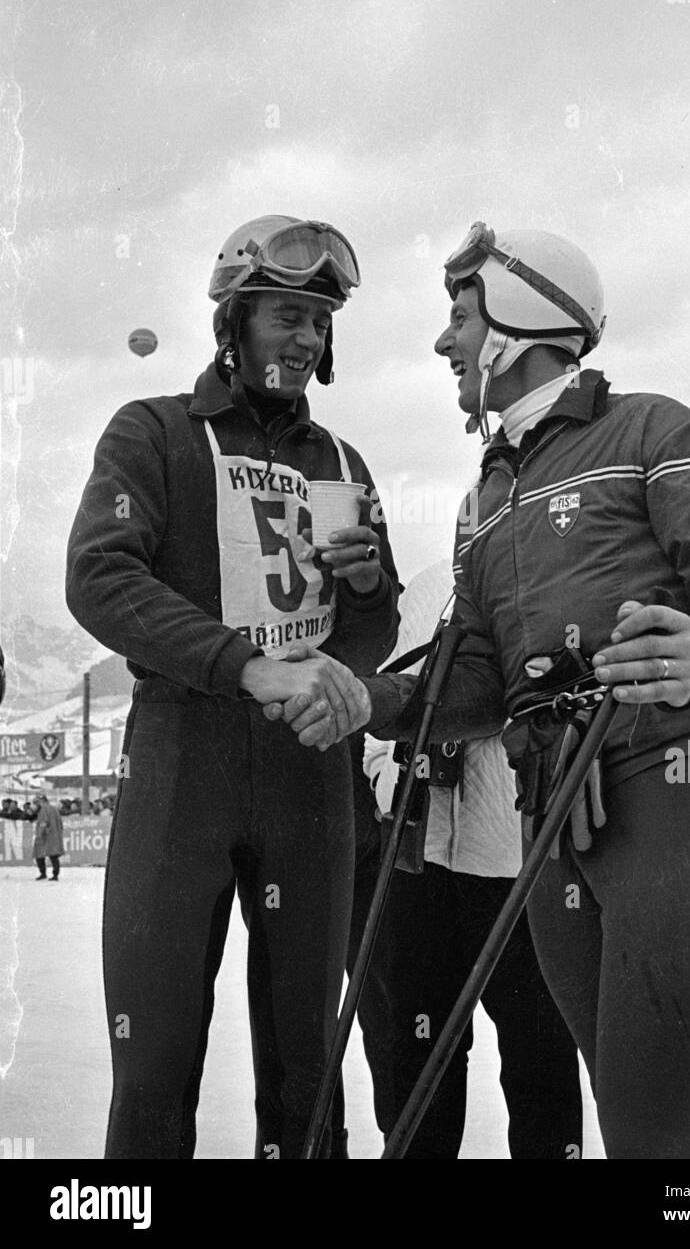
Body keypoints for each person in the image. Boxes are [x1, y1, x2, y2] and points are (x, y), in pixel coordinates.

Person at [284, 222, 690, 1160]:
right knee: (623, 1113)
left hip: (667, 773)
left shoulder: (655, 428)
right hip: (552, 805)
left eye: (460, 317)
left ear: (518, 318)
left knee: (657, 1123)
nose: (444, 343)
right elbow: (469, 683)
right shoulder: (486, 497)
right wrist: (372, 700)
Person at [66, 214, 400, 1159]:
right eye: (286, 314)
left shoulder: (343, 463)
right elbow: (100, 575)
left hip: (309, 774)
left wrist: (371, 587)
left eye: (319, 321)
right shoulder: (153, 430)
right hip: (184, 758)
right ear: (235, 319)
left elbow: (370, 642)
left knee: (305, 1069)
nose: (304, 337)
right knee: (153, 1067)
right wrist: (242, 664)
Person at [360, 559, 582, 1159]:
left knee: (540, 1058)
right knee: (413, 1056)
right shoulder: (432, 583)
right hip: (420, 861)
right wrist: (391, 778)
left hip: (517, 867)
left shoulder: (557, 574)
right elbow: (385, 701)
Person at [33, 793, 64, 880]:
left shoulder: (44, 809)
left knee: (39, 854)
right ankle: (55, 874)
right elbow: (60, 823)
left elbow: (44, 823)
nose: (36, 805)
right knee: (53, 856)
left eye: (36, 802)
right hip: (55, 835)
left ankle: (43, 873)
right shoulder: (54, 809)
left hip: (46, 836)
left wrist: (40, 834)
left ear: (41, 801)